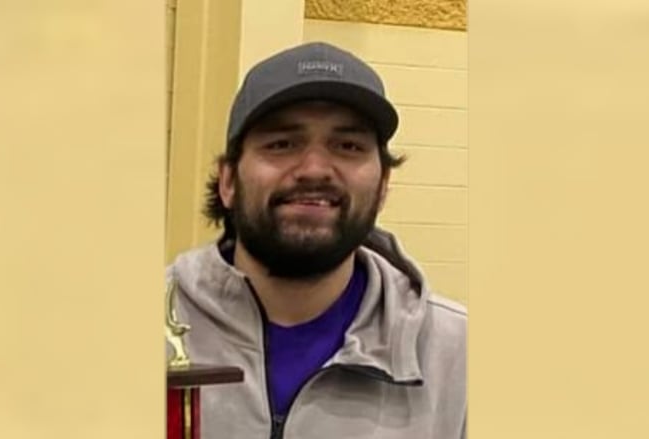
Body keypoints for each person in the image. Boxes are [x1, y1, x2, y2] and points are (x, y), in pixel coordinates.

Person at [167, 41, 466, 439]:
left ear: (382, 185)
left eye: (348, 146)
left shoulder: (459, 358)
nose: (314, 169)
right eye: (282, 144)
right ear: (227, 182)